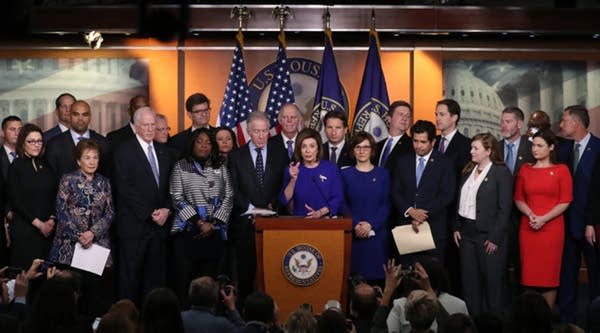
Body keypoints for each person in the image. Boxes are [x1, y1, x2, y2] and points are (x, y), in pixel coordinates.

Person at [112, 106, 175, 305]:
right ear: (136, 127)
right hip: (134, 227)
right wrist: (149, 212)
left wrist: (167, 209)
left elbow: (172, 185)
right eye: (145, 125)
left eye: (153, 125)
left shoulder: (165, 151)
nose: (150, 129)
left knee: (155, 281)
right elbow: (124, 187)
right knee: (131, 280)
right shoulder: (123, 151)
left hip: (160, 227)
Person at [49, 139, 115, 319]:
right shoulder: (68, 179)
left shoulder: (104, 182)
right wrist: (80, 235)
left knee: (95, 296)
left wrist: (92, 233)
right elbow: (61, 211)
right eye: (87, 157)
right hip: (70, 246)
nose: (92, 161)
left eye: (95, 157)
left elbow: (109, 213)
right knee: (71, 296)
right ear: (79, 161)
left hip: (96, 247)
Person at [228, 111, 287, 303]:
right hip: (245, 224)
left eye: (264, 131)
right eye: (256, 131)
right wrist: (251, 208)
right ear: (248, 131)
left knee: (274, 272)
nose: (261, 136)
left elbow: (284, 185)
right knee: (245, 275)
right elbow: (232, 187)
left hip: (274, 223)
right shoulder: (236, 156)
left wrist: (272, 205)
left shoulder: (280, 153)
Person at [169, 128, 233, 300]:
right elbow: (177, 196)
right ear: (192, 144)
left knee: (210, 284)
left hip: (214, 233)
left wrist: (213, 223)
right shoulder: (181, 166)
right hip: (187, 234)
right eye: (200, 141)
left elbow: (229, 196)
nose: (204, 146)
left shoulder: (220, 167)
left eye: (208, 142)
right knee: (185, 283)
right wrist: (199, 222)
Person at [453, 133, 513, 316]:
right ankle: (473, 323)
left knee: (492, 284)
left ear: (488, 151)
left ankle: (495, 324)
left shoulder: (501, 172)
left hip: (489, 236)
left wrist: (495, 238)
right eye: (471, 147)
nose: (471, 151)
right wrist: (456, 227)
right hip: (466, 234)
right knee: (470, 283)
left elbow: (505, 209)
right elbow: (459, 200)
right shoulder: (468, 170)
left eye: (475, 148)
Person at [514, 128, 572, 308]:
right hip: (528, 227)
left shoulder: (561, 170)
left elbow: (565, 200)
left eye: (540, 145)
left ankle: (547, 319)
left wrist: (543, 218)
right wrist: (530, 214)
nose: (535, 149)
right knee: (529, 276)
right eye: (533, 145)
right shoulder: (525, 170)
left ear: (551, 147)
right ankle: (530, 320)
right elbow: (518, 198)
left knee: (549, 277)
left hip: (551, 229)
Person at [557, 104, 600, 323]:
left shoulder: (598, 148)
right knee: (567, 274)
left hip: (590, 225)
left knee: (595, 274)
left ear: (577, 122)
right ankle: (566, 321)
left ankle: (594, 319)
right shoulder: (563, 150)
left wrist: (591, 222)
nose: (561, 124)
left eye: (564, 120)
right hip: (565, 223)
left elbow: (597, 190)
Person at [391, 120, 456, 264]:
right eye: (415, 141)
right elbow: (395, 191)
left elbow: (447, 194)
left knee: (432, 277)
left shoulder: (445, 163)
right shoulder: (402, 161)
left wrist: (422, 213)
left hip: (433, 228)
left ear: (433, 142)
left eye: (423, 142)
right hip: (407, 227)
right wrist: (410, 211)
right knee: (407, 275)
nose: (418, 146)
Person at [7, 124, 58, 269]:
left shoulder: (46, 165)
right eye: (31, 141)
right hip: (25, 231)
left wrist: (51, 219)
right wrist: (39, 224)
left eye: (39, 141)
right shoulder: (16, 167)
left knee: (46, 279)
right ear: (23, 143)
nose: (36, 145)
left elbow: (55, 195)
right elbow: (16, 201)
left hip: (48, 232)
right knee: (26, 279)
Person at [342, 131, 390, 282]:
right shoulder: (345, 174)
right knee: (353, 281)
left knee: (377, 282)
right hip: (353, 235)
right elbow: (342, 204)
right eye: (358, 147)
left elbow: (387, 204)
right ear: (352, 150)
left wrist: (371, 224)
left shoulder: (383, 174)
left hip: (377, 236)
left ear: (372, 150)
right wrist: (356, 225)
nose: (362, 151)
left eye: (366, 147)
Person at [281, 128, 344, 217]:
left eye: (312, 146)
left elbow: (338, 198)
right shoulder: (292, 169)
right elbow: (284, 201)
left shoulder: (331, 168)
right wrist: (293, 179)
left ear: (318, 149)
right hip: (299, 222)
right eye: (304, 146)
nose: (308, 151)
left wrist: (319, 213)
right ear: (299, 150)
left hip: (325, 222)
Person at [45, 100, 110, 178]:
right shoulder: (54, 144)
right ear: (69, 116)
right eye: (76, 114)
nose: (80, 119)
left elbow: (108, 174)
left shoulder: (103, 142)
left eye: (85, 115)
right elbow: (50, 179)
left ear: (90, 117)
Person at [0, 115, 22, 267]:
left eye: (20, 129)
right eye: (12, 129)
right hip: (4, 221)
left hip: (29, 222)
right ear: (3, 132)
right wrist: (6, 212)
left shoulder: (33, 157)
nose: (16, 133)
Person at [433, 99, 471, 177]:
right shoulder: (432, 141)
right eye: (436, 114)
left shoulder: (466, 144)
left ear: (454, 118)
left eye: (442, 114)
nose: (437, 118)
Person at [375, 100, 414, 171]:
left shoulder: (412, 145)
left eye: (408, 116)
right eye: (401, 114)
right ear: (389, 118)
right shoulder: (377, 146)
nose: (405, 118)